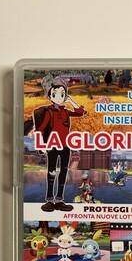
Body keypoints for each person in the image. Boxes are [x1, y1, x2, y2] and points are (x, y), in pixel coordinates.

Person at [34, 75, 85, 212]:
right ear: (49, 95)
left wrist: (70, 100)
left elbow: (80, 112)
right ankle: (49, 200)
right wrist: (41, 144)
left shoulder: (65, 111)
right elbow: (40, 129)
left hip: (66, 147)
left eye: (62, 94)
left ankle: (59, 200)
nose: (59, 97)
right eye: (55, 94)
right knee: (51, 172)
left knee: (63, 172)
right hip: (52, 146)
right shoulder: (49, 112)